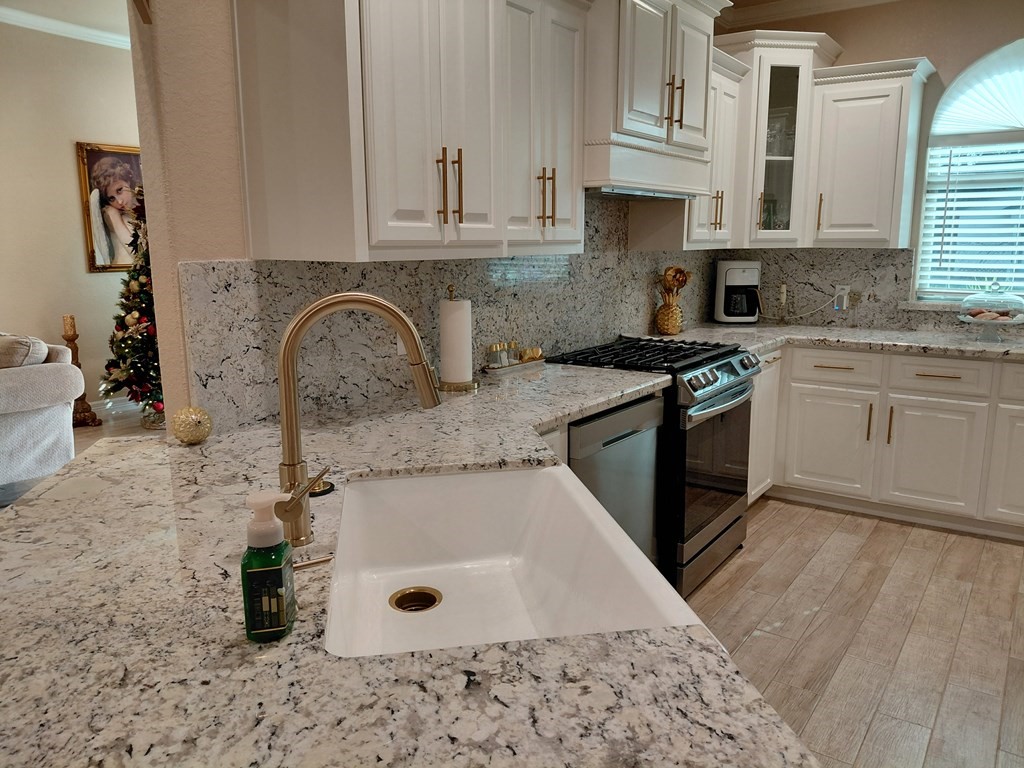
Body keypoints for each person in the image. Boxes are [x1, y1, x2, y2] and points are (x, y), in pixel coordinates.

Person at [90, 157, 139, 266]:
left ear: (128, 180)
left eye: (119, 190)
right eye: (111, 198)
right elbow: (137, 254)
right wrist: (114, 217)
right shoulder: (112, 214)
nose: (119, 202)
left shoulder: (143, 208)